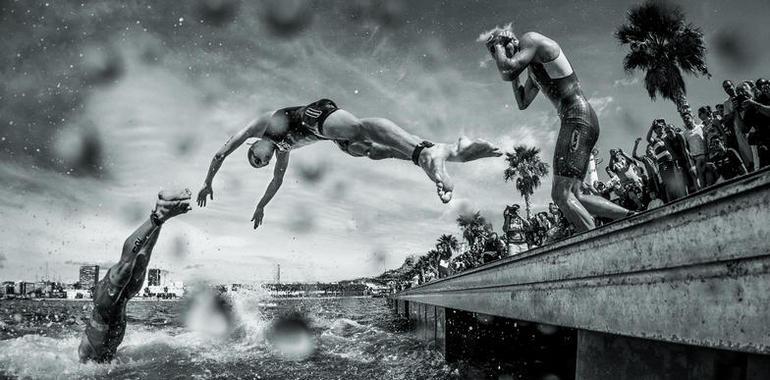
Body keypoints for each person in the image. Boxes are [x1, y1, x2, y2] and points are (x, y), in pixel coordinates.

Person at [196, 99, 501, 228]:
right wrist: (262, 205)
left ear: (252, 144)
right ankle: (446, 150)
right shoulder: (282, 150)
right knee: (370, 151)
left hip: (316, 115)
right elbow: (276, 181)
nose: (262, 160)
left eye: (256, 157)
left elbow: (220, 153)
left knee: (358, 128)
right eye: (261, 163)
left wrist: (208, 181)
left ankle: (423, 153)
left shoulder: (259, 127)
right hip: (328, 136)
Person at [483, 26, 631, 232]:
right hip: (578, 119)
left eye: (499, 49)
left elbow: (507, 70)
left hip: (577, 116)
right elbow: (522, 102)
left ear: (511, 41)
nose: (499, 55)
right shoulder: (533, 74)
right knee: (577, 195)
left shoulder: (531, 39)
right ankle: (632, 216)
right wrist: (509, 62)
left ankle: (596, 241)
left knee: (561, 195)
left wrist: (497, 44)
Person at [79, 189, 192, 363]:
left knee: (126, 266)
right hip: (117, 307)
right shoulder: (105, 360)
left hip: (104, 306)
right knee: (142, 261)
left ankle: (157, 217)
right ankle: (161, 214)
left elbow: (125, 261)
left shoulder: (88, 362)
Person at [646, 119, 687, 202]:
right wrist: (652, 126)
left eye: (661, 127)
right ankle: (671, 203)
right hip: (663, 165)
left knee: (678, 181)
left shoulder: (667, 137)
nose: (660, 128)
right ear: (655, 130)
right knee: (668, 185)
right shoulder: (654, 140)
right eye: (657, 127)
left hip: (672, 162)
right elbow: (648, 138)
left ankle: (683, 199)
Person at [722, 80, 755, 171]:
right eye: (725, 88)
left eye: (729, 86)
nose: (728, 89)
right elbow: (726, 119)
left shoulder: (743, 93)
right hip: (739, 130)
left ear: (733, 85)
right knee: (747, 153)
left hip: (751, 125)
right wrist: (734, 109)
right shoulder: (726, 103)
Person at [682, 113, 707, 190]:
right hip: (696, 158)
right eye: (684, 119)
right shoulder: (685, 134)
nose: (686, 120)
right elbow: (686, 148)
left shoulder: (701, 127)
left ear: (692, 118)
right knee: (700, 178)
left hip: (705, 155)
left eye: (687, 118)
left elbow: (706, 140)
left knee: (709, 175)